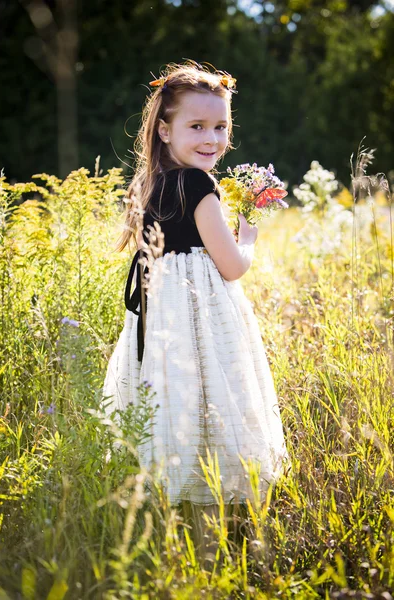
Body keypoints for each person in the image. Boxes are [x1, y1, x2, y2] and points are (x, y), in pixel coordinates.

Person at [102, 61, 289, 565]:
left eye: (221, 126)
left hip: (160, 327)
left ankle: (172, 548)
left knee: (178, 416)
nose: (212, 138)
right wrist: (247, 237)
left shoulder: (151, 182)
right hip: (204, 321)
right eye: (197, 126)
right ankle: (209, 558)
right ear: (165, 129)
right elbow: (230, 266)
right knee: (215, 419)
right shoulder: (202, 187)